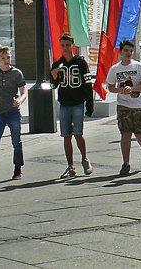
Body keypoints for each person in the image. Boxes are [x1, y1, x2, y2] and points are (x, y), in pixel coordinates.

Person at [50, 33, 94, 178]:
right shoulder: (57, 64)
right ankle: (70, 166)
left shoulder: (80, 63)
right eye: (62, 46)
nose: (65, 48)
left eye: (68, 45)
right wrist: (54, 76)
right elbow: (54, 85)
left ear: (73, 46)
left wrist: (89, 103)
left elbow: (87, 84)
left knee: (78, 133)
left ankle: (84, 159)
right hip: (64, 103)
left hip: (77, 103)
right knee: (66, 135)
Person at [107, 40, 141, 176]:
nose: (128, 53)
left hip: (139, 105)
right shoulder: (115, 69)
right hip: (123, 105)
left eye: (131, 51)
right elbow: (110, 87)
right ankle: (126, 163)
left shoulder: (138, 67)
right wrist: (121, 90)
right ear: (121, 52)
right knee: (125, 134)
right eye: (126, 51)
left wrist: (132, 88)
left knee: (140, 134)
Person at [0, 45, 26, 184]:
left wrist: (19, 101)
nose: (6, 61)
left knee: (16, 141)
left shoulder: (16, 73)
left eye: (8, 58)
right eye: (3, 58)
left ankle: (17, 168)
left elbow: (24, 93)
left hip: (12, 111)